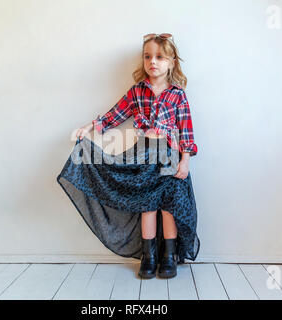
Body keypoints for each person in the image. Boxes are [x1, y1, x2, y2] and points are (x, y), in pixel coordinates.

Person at [60, 33, 200, 279]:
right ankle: (149, 256)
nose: (152, 62)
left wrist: (185, 160)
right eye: (148, 56)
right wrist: (89, 128)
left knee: (169, 208)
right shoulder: (137, 92)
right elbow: (114, 114)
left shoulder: (178, 95)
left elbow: (186, 131)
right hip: (144, 157)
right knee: (147, 207)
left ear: (172, 62)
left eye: (159, 57)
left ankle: (169, 256)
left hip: (168, 159)